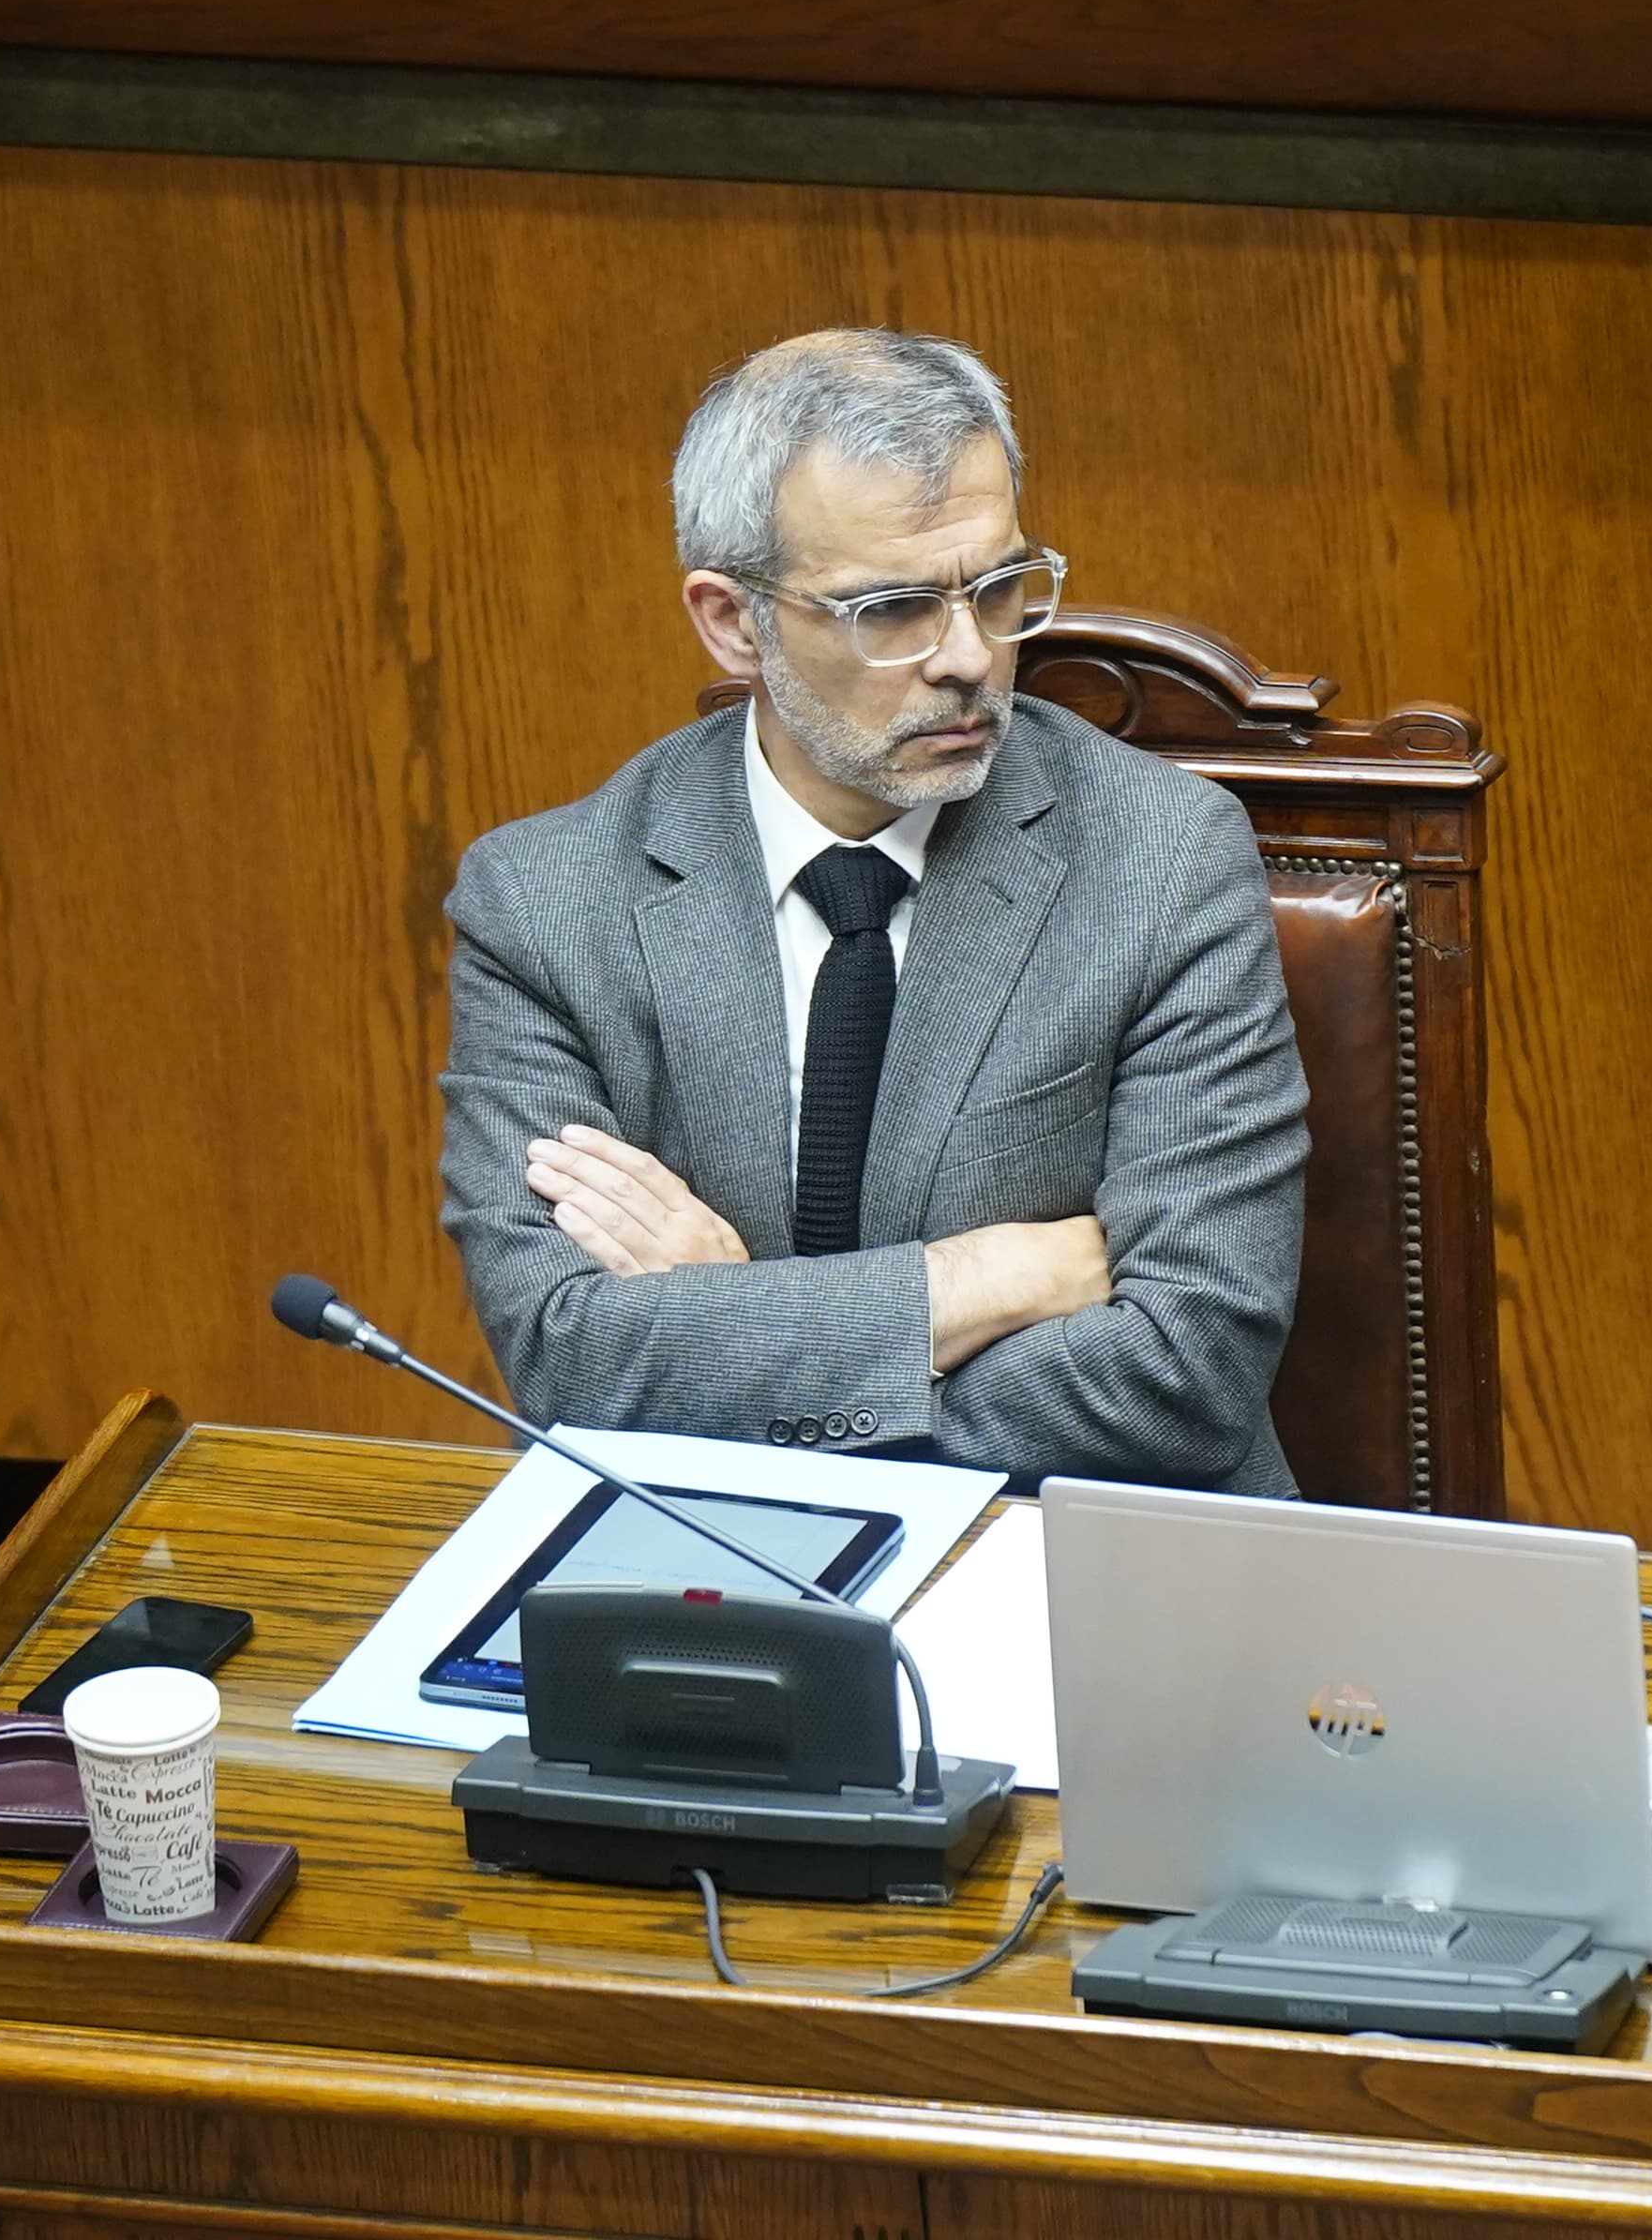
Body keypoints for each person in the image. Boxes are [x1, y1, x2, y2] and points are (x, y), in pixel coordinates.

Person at [437, 329, 1304, 1492]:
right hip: (703, 1540)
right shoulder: (547, 901)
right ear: (732, 620)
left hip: (1067, 1534)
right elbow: (567, 1360)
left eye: (998, 588)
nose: (969, 658)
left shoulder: (1163, 859)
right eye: (893, 608)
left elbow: (1190, 1367)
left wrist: (734, 1329)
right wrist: (981, 1281)